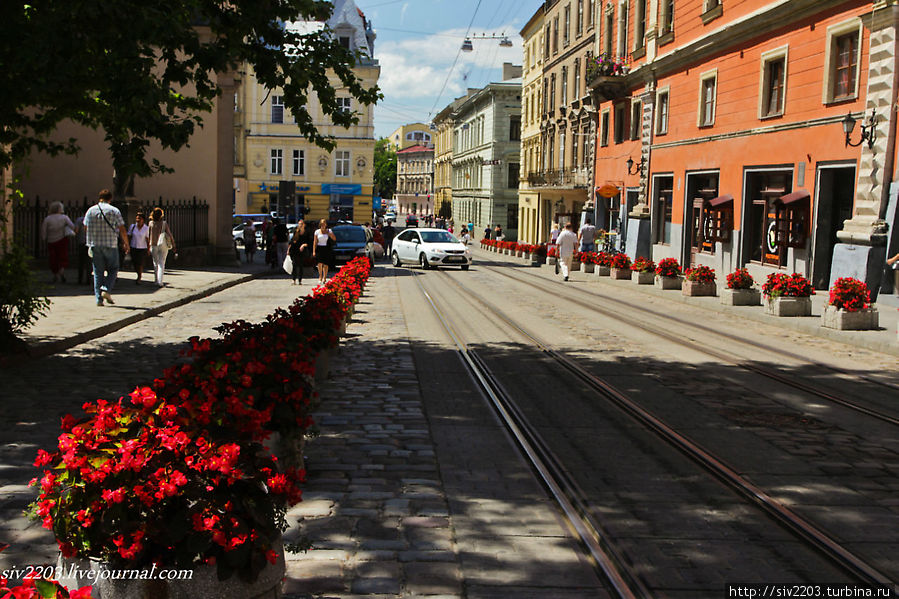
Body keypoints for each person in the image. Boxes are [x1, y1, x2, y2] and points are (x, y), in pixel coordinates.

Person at [84, 189, 129, 305]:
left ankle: (98, 298)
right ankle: (106, 289)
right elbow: (122, 229)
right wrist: (126, 243)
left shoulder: (90, 211)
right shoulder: (114, 211)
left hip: (95, 244)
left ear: (100, 197)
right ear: (110, 198)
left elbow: (85, 227)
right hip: (110, 244)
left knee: (97, 272)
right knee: (113, 269)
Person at [40, 201, 76, 283]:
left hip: (51, 240)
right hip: (62, 239)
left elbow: (43, 230)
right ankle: (62, 271)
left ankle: (55, 274)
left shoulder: (47, 219)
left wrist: (44, 238)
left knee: (53, 258)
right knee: (63, 256)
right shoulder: (64, 217)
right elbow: (72, 226)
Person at [148, 207, 176, 288]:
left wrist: (147, 246)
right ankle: (160, 281)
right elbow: (169, 235)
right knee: (161, 262)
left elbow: (148, 235)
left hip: (153, 244)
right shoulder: (164, 223)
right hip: (163, 244)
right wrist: (173, 244)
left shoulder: (150, 223)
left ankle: (156, 280)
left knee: (155, 263)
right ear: (161, 215)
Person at [127, 212, 150, 284]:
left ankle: (139, 277)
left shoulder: (146, 228)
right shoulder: (132, 226)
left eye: (139, 218)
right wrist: (127, 245)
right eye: (137, 218)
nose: (138, 220)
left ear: (143, 219)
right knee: (135, 263)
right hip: (134, 247)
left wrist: (149, 249)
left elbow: (147, 239)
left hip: (142, 248)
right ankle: (138, 274)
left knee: (140, 263)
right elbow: (129, 236)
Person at [312, 218, 337, 285]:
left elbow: (334, 239)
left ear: (326, 224)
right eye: (322, 224)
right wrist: (314, 251)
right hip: (319, 248)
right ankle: (320, 276)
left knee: (325, 264)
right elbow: (315, 242)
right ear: (320, 224)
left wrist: (329, 234)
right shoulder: (317, 232)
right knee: (319, 263)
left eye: (324, 223)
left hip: (326, 248)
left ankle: (325, 277)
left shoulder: (329, 231)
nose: (323, 225)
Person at [287, 220, 310, 284]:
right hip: (295, 250)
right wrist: (288, 250)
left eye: (302, 224)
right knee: (294, 264)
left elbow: (309, 242)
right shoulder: (295, 231)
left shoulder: (306, 232)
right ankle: (294, 279)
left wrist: (304, 245)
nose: (300, 225)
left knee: (300, 265)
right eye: (299, 224)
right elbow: (292, 241)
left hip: (302, 250)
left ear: (304, 225)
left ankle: (300, 280)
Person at [73, 215, 90, 285]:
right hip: (90, 242)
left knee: (81, 261)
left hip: (81, 242)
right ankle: (88, 279)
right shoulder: (92, 219)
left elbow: (76, 231)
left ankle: (80, 279)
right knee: (89, 262)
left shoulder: (79, 220)